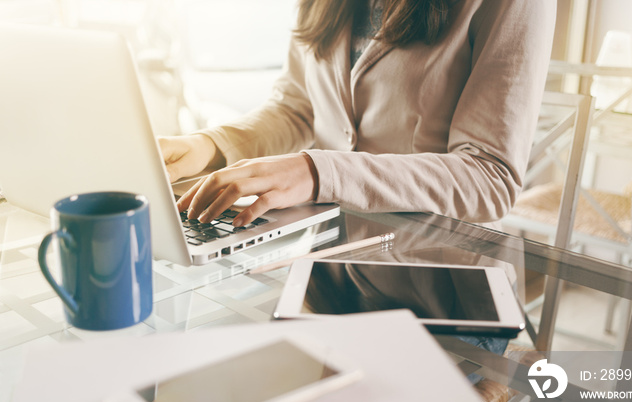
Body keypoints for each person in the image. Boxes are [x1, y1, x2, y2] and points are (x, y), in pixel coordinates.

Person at [160, 0, 557, 230]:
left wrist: (319, 173)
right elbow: (297, 107)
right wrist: (209, 145)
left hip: (442, 275)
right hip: (326, 266)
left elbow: (490, 177)